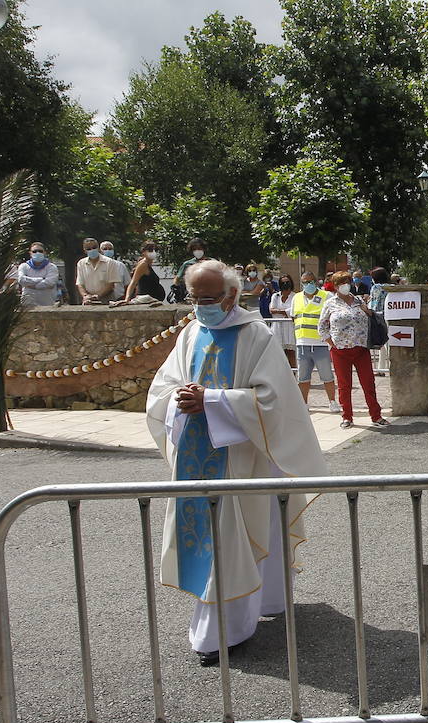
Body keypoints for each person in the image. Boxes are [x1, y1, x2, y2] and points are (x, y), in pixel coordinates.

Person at [145, 259, 326, 665]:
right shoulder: (191, 332)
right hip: (196, 455)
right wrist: (179, 398)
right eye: (194, 298)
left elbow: (273, 402)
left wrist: (209, 400)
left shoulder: (255, 336)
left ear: (231, 295)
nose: (200, 306)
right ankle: (262, 602)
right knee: (227, 537)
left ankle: (224, 632)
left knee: (235, 539)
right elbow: (163, 387)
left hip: (242, 458)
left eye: (207, 298)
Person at [317, 270, 389, 429]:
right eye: (342, 283)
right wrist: (332, 343)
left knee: (368, 383)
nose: (346, 285)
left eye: (348, 282)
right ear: (335, 286)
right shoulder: (330, 303)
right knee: (344, 385)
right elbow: (322, 327)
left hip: (361, 348)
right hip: (340, 351)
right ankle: (347, 416)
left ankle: (376, 415)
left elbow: (371, 316)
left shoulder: (357, 300)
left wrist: (366, 309)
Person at [292, 271, 340, 412]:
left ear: (316, 281)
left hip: (321, 343)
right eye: (305, 282)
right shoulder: (297, 298)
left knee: (327, 376)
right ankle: (304, 404)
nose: (308, 285)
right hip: (302, 343)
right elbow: (294, 317)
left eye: (311, 281)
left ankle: (332, 402)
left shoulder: (327, 296)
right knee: (303, 377)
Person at [77, 238, 124, 304]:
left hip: (107, 299)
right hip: (88, 300)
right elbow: (80, 283)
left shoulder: (109, 262)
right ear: (85, 251)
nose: (92, 250)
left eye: (94, 247)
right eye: (88, 249)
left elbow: (111, 284)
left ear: (98, 248)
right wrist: (85, 296)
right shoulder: (81, 263)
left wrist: (98, 295)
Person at [16, 242, 59, 307]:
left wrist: (30, 285)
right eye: (34, 251)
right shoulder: (24, 266)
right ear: (30, 253)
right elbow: (21, 280)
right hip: (28, 305)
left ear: (45, 253)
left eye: (40, 251)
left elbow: (50, 283)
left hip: (48, 305)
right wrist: (41, 279)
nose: (37, 253)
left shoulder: (52, 267)